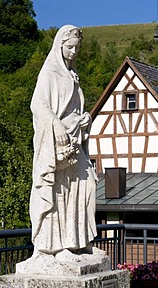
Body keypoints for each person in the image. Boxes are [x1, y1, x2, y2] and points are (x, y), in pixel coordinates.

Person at [30, 25, 98, 259]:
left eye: (76, 48)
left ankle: (78, 242)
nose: (73, 52)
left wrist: (85, 117)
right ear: (59, 46)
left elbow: (74, 108)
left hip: (75, 139)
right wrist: (55, 125)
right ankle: (54, 246)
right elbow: (38, 105)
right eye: (69, 47)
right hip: (56, 140)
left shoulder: (73, 75)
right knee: (59, 191)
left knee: (86, 186)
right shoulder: (50, 72)